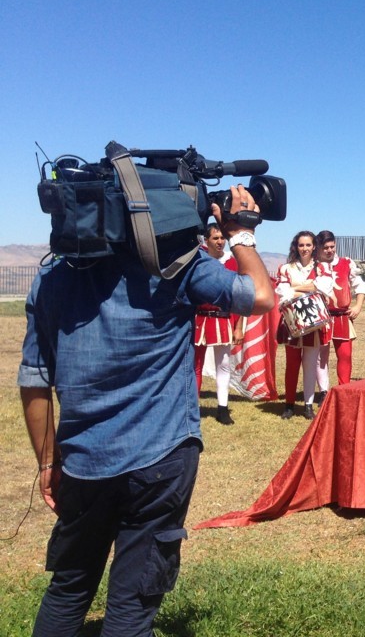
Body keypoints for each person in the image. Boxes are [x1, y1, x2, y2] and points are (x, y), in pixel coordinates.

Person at [18, 183, 274, 637]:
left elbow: (35, 379)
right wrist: (241, 233)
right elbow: (259, 296)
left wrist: (46, 460)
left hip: (82, 463)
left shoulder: (50, 279)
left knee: (69, 589)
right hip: (160, 459)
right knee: (132, 604)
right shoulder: (178, 266)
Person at [276, 231, 333, 420]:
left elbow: (323, 287)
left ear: (314, 246)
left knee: (310, 365)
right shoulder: (285, 268)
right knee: (291, 365)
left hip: (315, 324)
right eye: (301, 245)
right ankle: (289, 405)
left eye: (308, 245)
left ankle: (308, 405)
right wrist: (309, 286)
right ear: (296, 246)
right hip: (293, 323)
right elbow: (282, 293)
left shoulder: (323, 268)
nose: (305, 248)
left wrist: (295, 288)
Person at [193, 223, 240, 425]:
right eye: (215, 238)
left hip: (223, 319)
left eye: (222, 238)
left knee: (223, 364)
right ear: (206, 240)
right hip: (199, 318)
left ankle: (222, 408)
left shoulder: (232, 263)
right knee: (195, 365)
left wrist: (239, 326)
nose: (220, 241)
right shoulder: (198, 260)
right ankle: (192, 408)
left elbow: (239, 296)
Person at [316, 230, 365, 392]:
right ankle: (324, 392)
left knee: (345, 355)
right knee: (320, 358)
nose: (330, 250)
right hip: (321, 317)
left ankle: (343, 390)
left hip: (342, 317)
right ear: (319, 248)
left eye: (332, 246)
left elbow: (360, 285)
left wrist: (358, 306)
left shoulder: (346, 263)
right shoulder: (314, 266)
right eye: (326, 247)